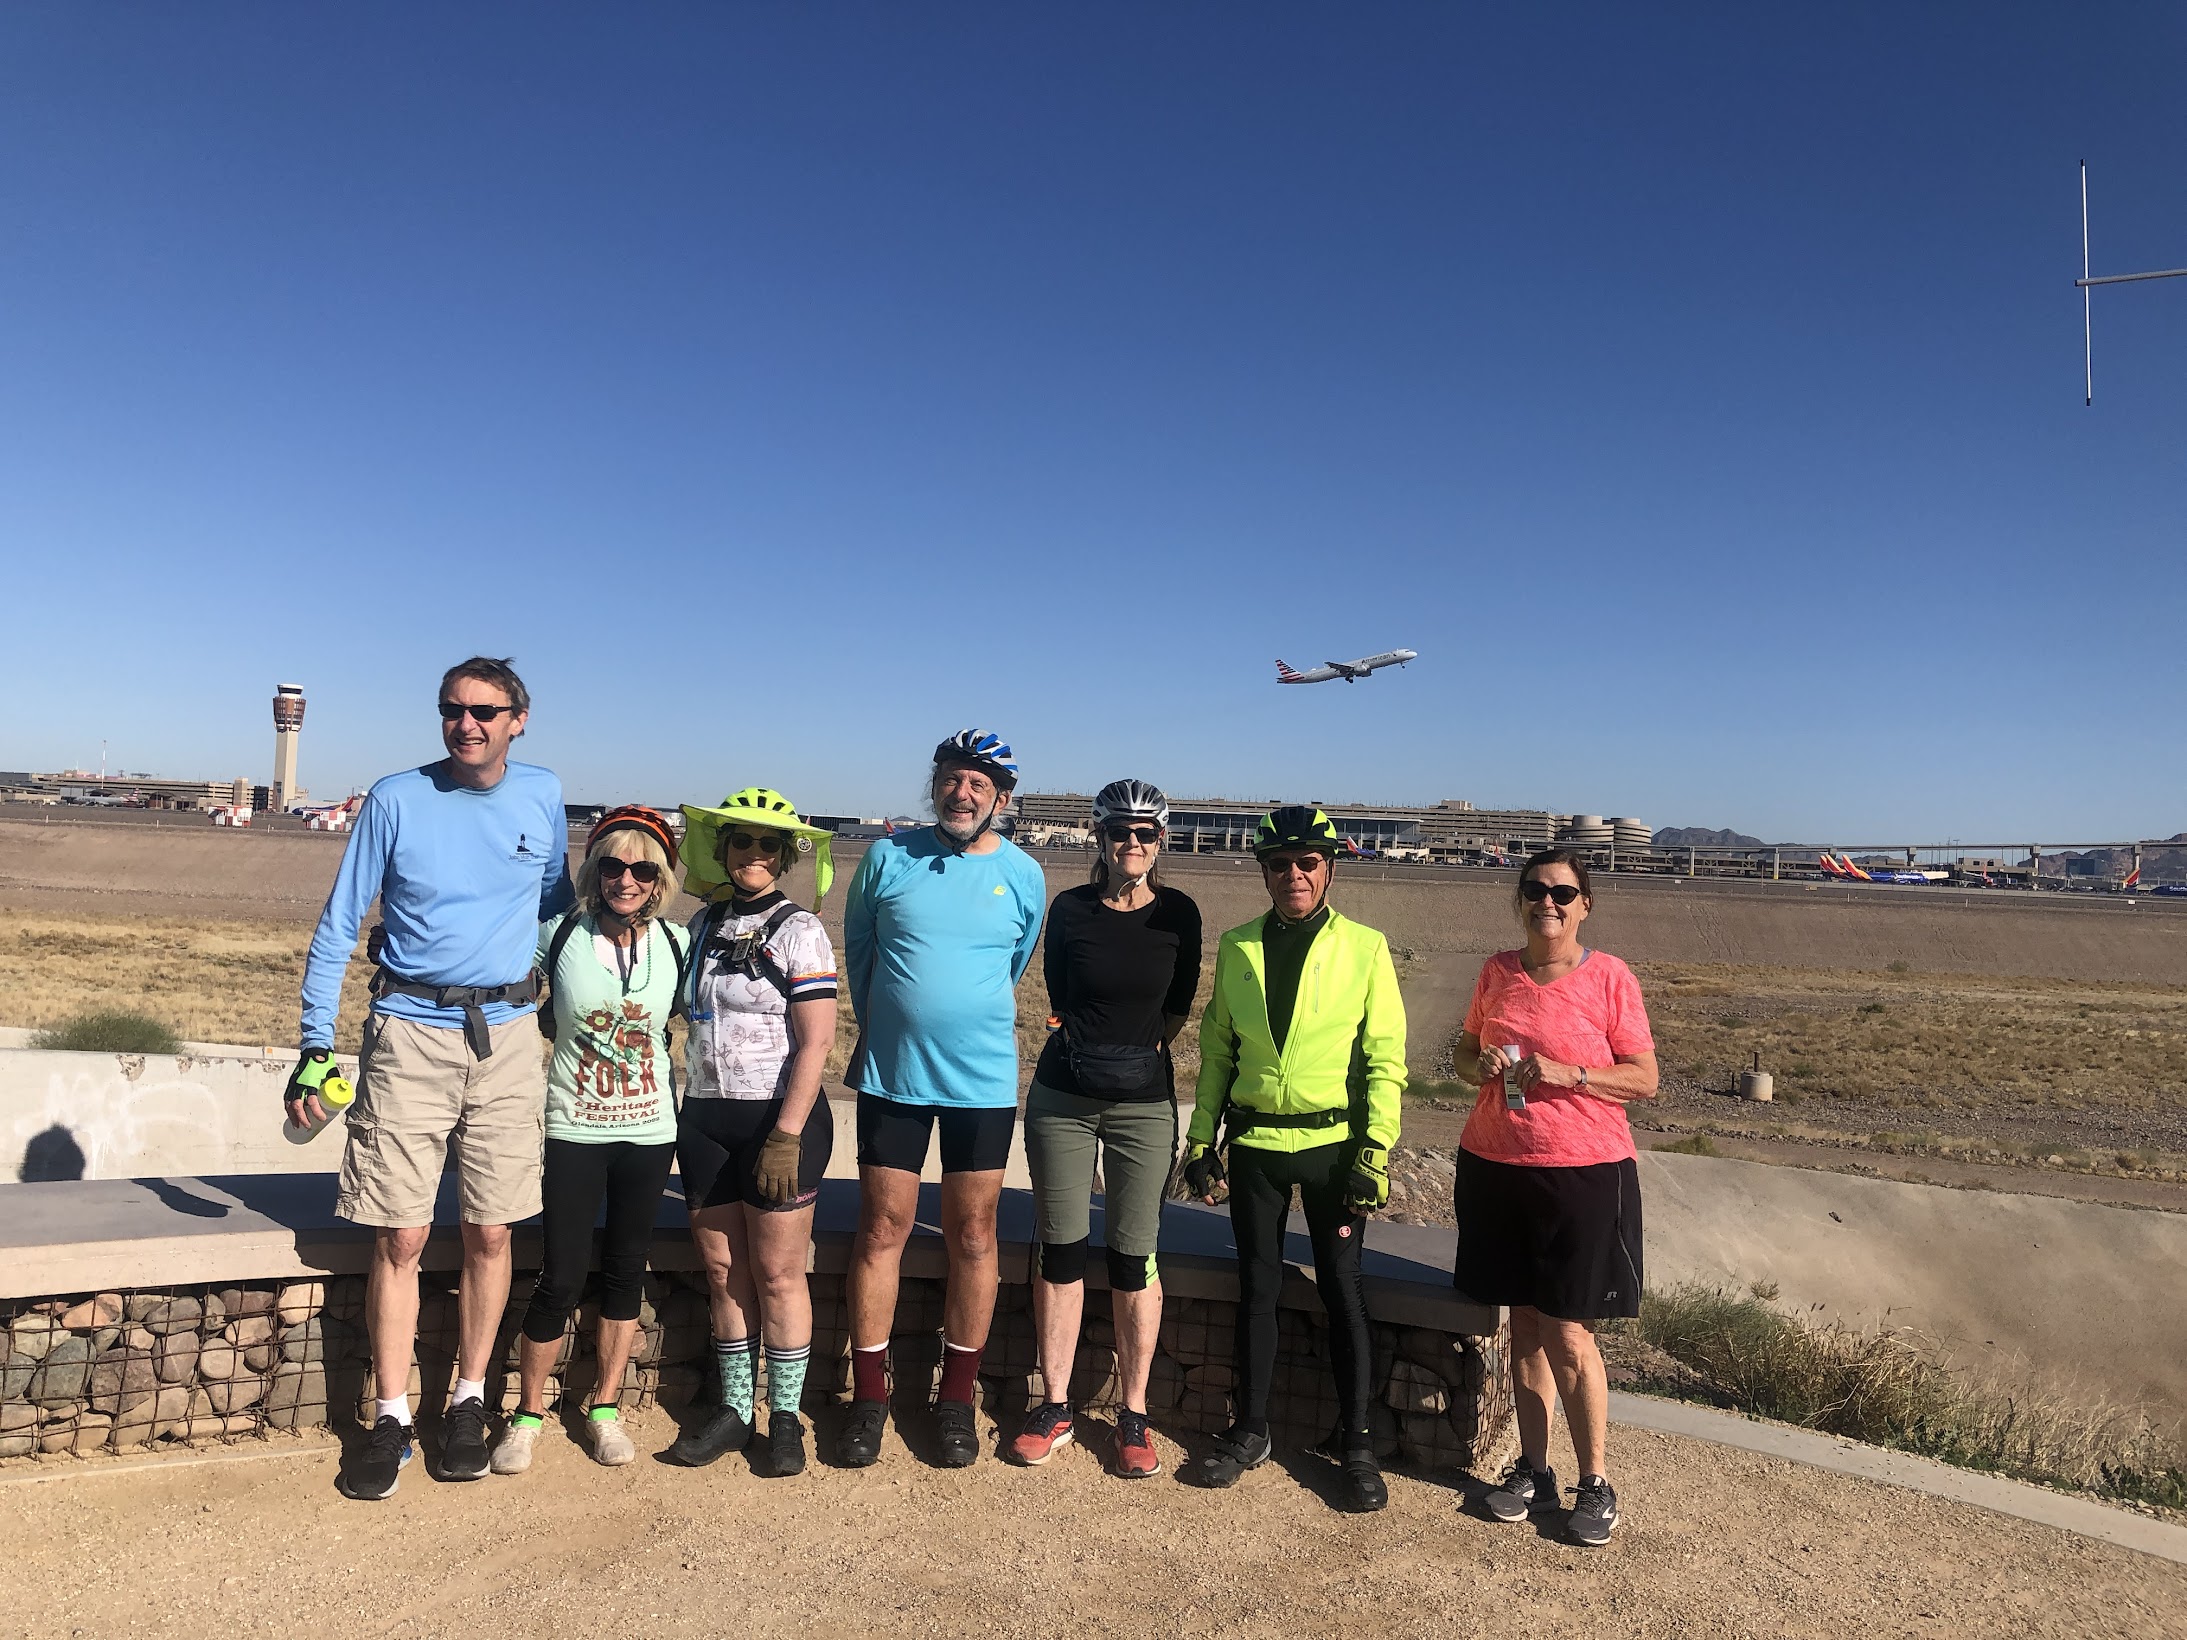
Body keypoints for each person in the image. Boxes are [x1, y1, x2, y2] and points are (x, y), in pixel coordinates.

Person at [289, 657, 572, 1502]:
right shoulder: (394, 798)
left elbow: (553, 906)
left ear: (519, 718)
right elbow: (340, 923)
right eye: (453, 710)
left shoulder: (544, 794)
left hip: (510, 1036)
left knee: (491, 1232)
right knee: (400, 1236)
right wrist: (314, 1045)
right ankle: (388, 1416)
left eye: (486, 711)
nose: (467, 725)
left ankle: (468, 1400)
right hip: (408, 1034)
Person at [1179, 806, 1405, 1513]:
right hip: (1255, 1148)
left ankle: (1359, 1444)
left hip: (1335, 1148)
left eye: (1308, 862)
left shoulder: (1365, 947)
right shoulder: (1241, 945)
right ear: (1265, 872)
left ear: (1329, 868)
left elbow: (1383, 1060)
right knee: (1258, 1289)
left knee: (1343, 1288)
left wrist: (1375, 1150)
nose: (1294, 874)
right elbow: (1217, 1052)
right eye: (1280, 864)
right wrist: (1198, 1142)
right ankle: (1250, 1430)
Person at [836, 730, 1046, 1470]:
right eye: (951, 780)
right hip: (894, 1076)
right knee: (881, 1228)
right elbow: (859, 956)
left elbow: (1014, 963)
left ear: (1001, 799)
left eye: (978, 784)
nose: (962, 793)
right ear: (936, 786)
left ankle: (955, 1399)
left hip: (979, 1083)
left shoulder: (1022, 874)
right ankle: (869, 1398)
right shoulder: (889, 857)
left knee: (975, 1235)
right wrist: (894, 1024)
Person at [1449, 847, 1658, 1548]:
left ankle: (1594, 1481)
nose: (1549, 903)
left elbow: (1643, 1078)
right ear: (1520, 900)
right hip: (1494, 1164)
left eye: (1563, 893)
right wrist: (1472, 1062)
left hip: (1581, 1173)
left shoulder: (1610, 978)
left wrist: (1574, 1073)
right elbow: (1463, 1051)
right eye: (1536, 890)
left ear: (1584, 905)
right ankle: (1533, 1470)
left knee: (1570, 1332)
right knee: (1526, 1328)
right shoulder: (1496, 971)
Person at [1010, 781, 1202, 1479]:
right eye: (1120, 831)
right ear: (1099, 837)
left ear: (1161, 840)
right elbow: (1059, 991)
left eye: (1146, 833)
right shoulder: (1070, 909)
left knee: (1132, 1255)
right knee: (1059, 1248)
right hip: (1063, 1095)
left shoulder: (1179, 912)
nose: (1132, 844)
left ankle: (1133, 1414)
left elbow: (1178, 1004)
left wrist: (1135, 1052)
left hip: (1143, 1103)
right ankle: (1055, 1404)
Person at [487, 807, 686, 1475]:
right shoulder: (562, 932)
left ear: (660, 878)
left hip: (650, 1130)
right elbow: (496, 972)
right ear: (593, 869)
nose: (624, 880)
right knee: (560, 1277)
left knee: (626, 1272)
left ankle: (603, 1408)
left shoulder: (679, 944)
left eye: (640, 868)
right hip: (574, 1127)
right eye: (611, 865)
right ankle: (528, 1414)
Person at [665, 788, 840, 1478]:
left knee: (777, 1274)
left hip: (778, 1122)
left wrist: (786, 1133)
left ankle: (785, 1417)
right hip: (706, 1116)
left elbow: (816, 1042)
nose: (754, 856)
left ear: (786, 856)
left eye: (769, 846)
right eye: (742, 842)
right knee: (722, 1272)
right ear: (724, 850)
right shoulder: (703, 925)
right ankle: (736, 1411)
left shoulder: (801, 931)